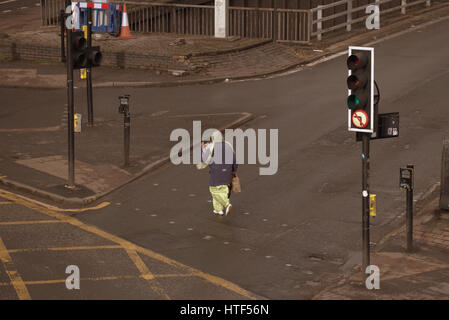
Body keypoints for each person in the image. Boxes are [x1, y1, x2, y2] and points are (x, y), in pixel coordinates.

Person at [197, 130, 237, 216]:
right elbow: (234, 160)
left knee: (214, 190)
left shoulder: (211, 146)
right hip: (227, 172)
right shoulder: (228, 145)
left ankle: (227, 204)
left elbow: (204, 159)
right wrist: (233, 170)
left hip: (216, 172)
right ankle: (218, 209)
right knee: (223, 189)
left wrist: (202, 149)